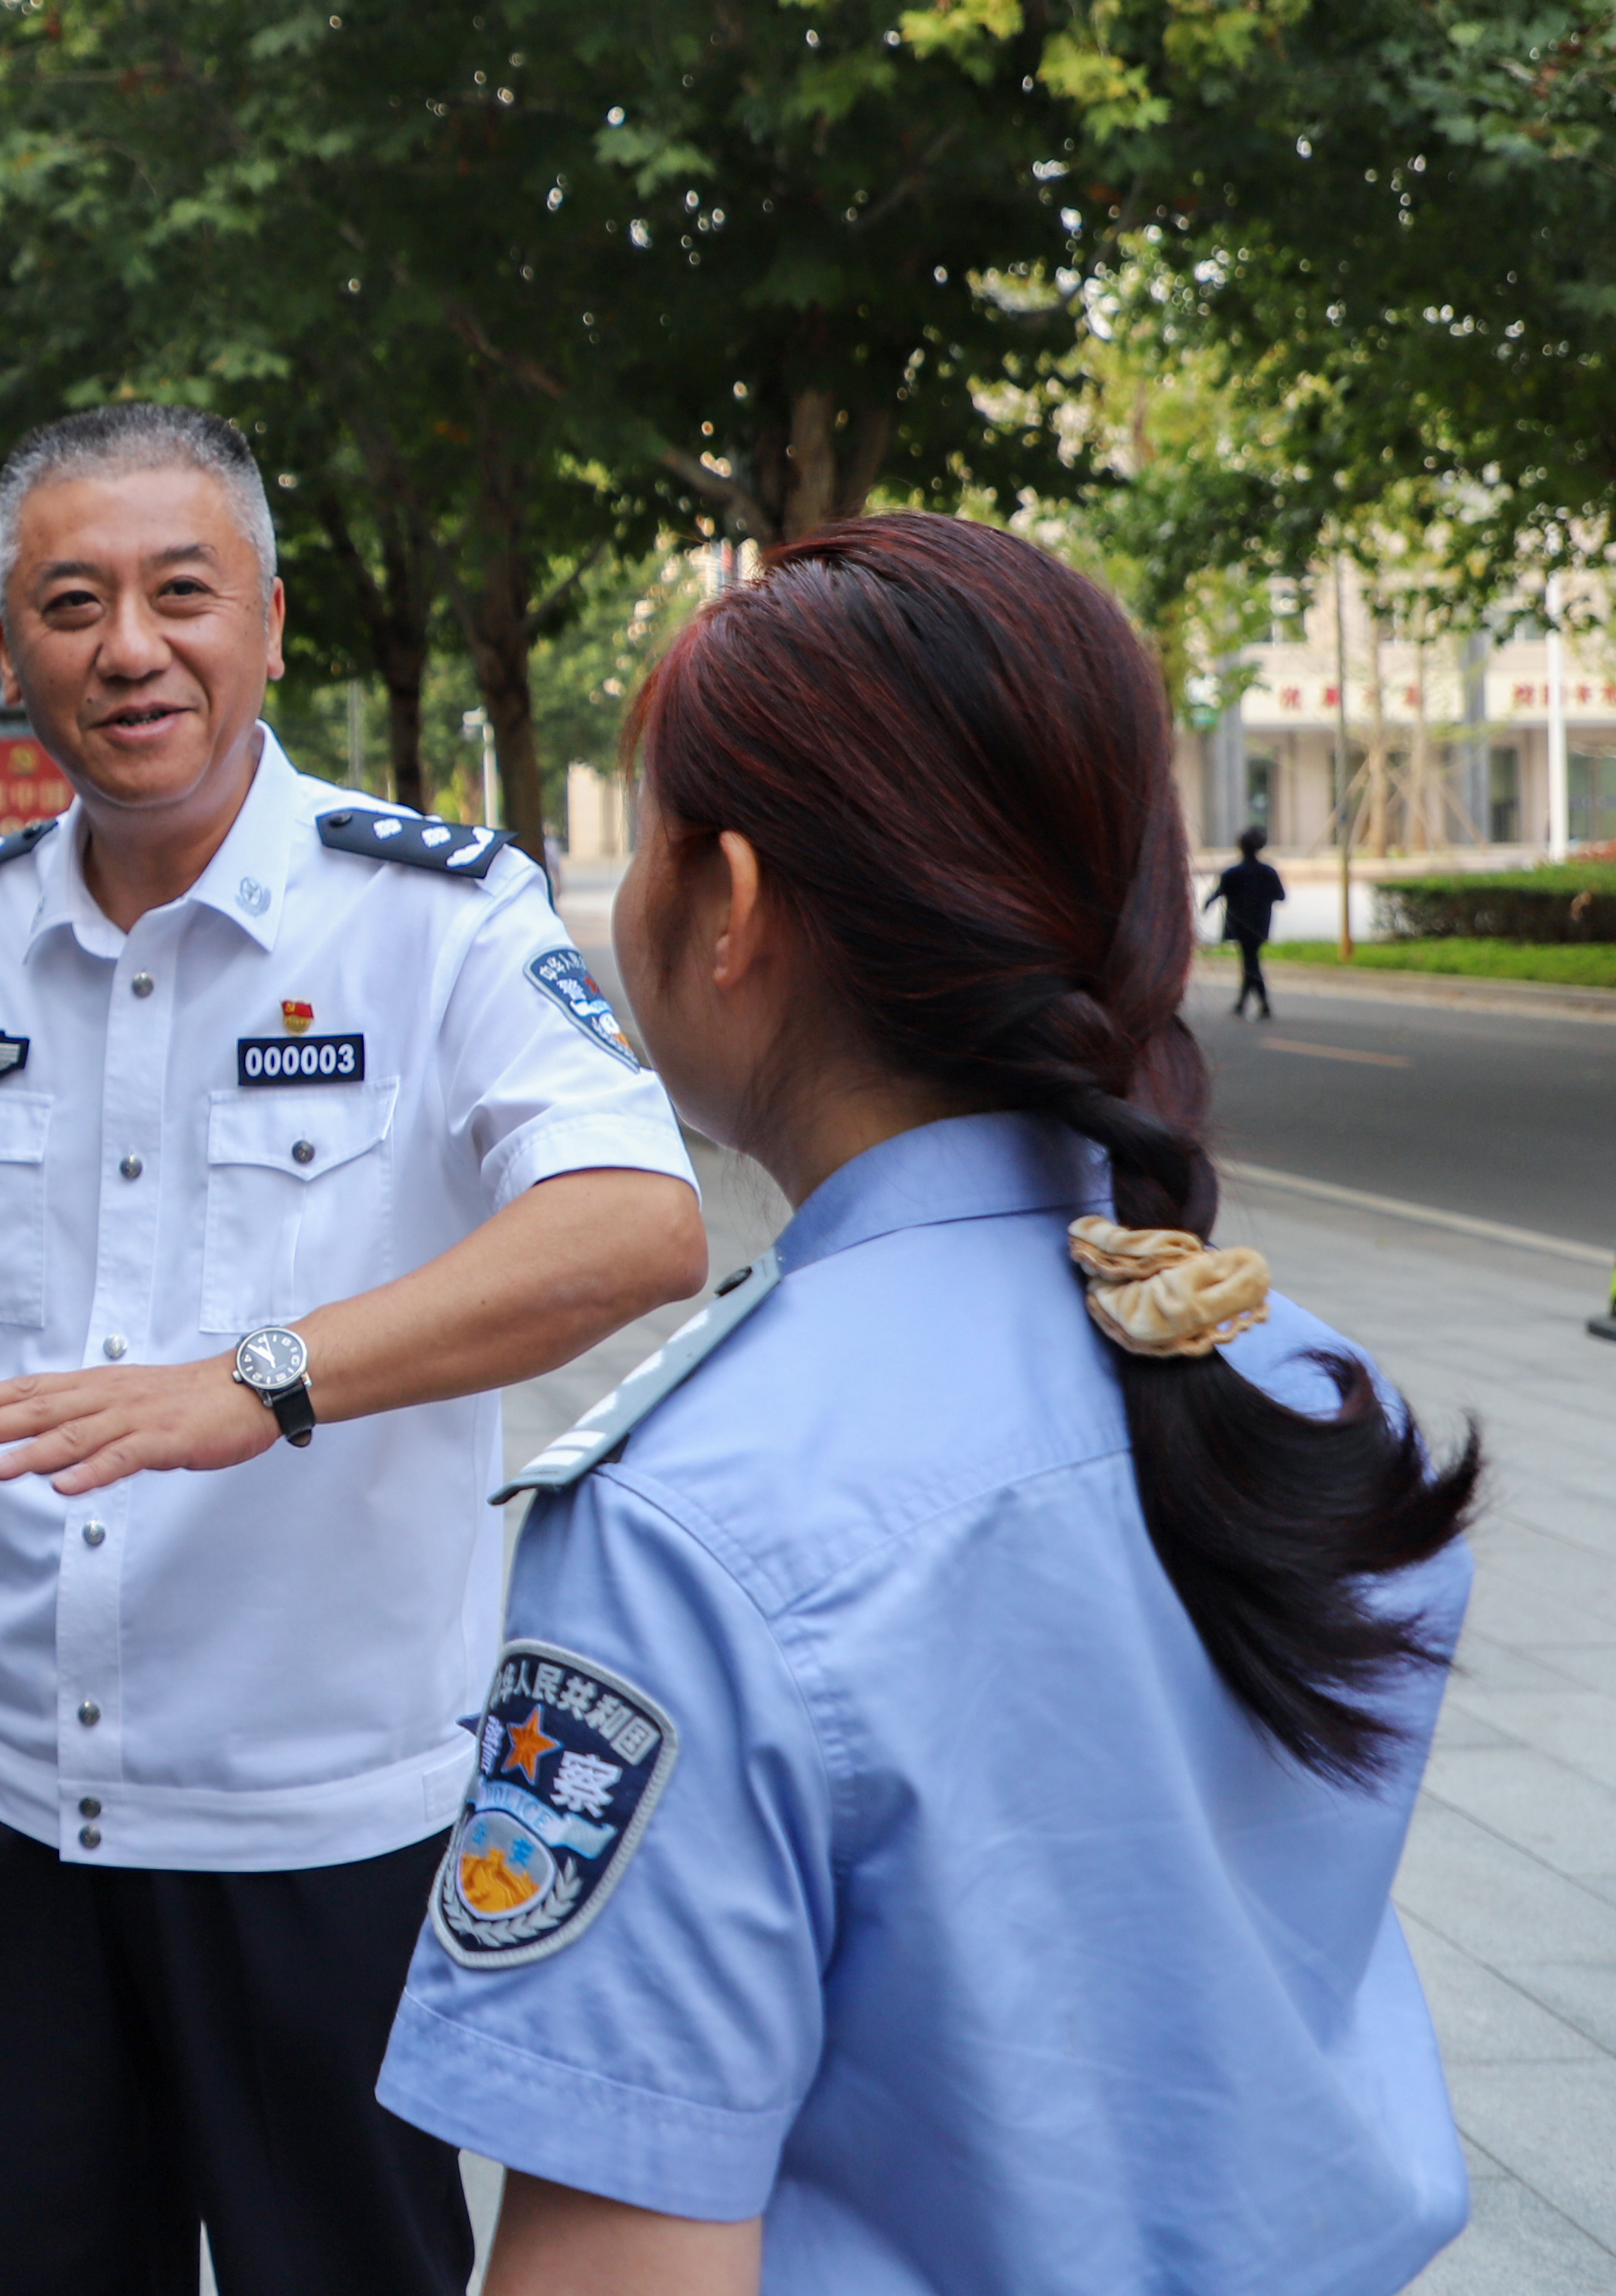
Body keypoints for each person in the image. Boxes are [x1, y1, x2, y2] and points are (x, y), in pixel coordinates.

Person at [380, 513, 1479, 2295]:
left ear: (729, 906)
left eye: (651, 839)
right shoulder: (1303, 1387)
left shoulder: (689, 1527)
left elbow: (620, 2260)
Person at [0, 403, 708, 2294]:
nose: (129, 648)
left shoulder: (438, 912)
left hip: (324, 1823)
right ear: (9, 653)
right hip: (26, 1807)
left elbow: (634, 1222)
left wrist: (266, 1378)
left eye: (182, 593)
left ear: (266, 619)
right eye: (70, 606)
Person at [1209, 825, 1286, 1019]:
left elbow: (1217, 894)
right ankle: (1248, 1004)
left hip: (1240, 924)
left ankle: (1257, 1005)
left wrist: (1206, 905)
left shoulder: (1232, 873)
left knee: (1250, 962)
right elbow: (1280, 896)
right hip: (1260, 923)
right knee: (1251, 961)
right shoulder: (1268, 872)